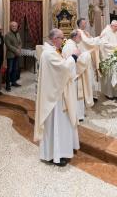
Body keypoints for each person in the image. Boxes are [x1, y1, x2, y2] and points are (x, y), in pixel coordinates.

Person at [34, 28, 80, 167]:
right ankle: (55, 155)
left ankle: (60, 152)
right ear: (54, 39)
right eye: (61, 38)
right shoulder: (48, 54)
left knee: (60, 125)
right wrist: (74, 57)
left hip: (57, 94)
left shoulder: (52, 52)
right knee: (56, 125)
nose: (63, 40)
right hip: (54, 99)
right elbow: (63, 68)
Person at [62, 30, 93, 121]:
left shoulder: (71, 44)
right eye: (80, 37)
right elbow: (78, 61)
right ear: (75, 37)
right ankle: (77, 115)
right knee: (75, 95)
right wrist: (87, 54)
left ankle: (79, 114)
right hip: (73, 75)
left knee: (77, 95)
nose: (81, 38)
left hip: (74, 74)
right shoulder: (70, 46)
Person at [77, 18, 102, 100]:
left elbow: (91, 40)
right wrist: (98, 38)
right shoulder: (79, 32)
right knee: (88, 75)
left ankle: (92, 94)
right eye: (84, 23)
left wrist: (96, 39)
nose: (85, 24)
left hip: (89, 55)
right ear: (79, 24)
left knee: (92, 74)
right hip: (84, 56)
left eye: (85, 23)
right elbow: (88, 42)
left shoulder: (86, 32)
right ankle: (87, 95)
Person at [100, 21, 117, 100]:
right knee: (110, 75)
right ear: (111, 25)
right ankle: (109, 94)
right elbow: (104, 44)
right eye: (116, 27)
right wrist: (115, 46)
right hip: (109, 56)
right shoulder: (106, 32)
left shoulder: (115, 32)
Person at [4, 21, 22, 91]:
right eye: (13, 26)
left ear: (17, 27)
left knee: (15, 69)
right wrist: (16, 50)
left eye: (15, 26)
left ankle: (13, 82)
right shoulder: (7, 35)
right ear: (10, 27)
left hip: (16, 55)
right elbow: (8, 45)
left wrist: (20, 48)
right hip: (10, 55)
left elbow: (20, 42)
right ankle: (7, 85)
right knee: (9, 70)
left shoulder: (17, 34)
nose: (14, 27)